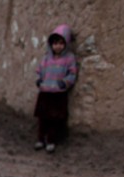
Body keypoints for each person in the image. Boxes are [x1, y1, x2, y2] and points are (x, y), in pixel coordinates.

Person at [33, 24, 78, 153]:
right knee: (42, 118)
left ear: (66, 43)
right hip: (45, 92)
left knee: (54, 119)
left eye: (60, 43)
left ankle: (51, 141)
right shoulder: (47, 58)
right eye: (55, 43)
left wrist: (65, 83)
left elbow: (72, 73)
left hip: (58, 94)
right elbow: (40, 70)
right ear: (51, 44)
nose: (57, 46)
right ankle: (40, 139)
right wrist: (39, 80)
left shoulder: (69, 58)